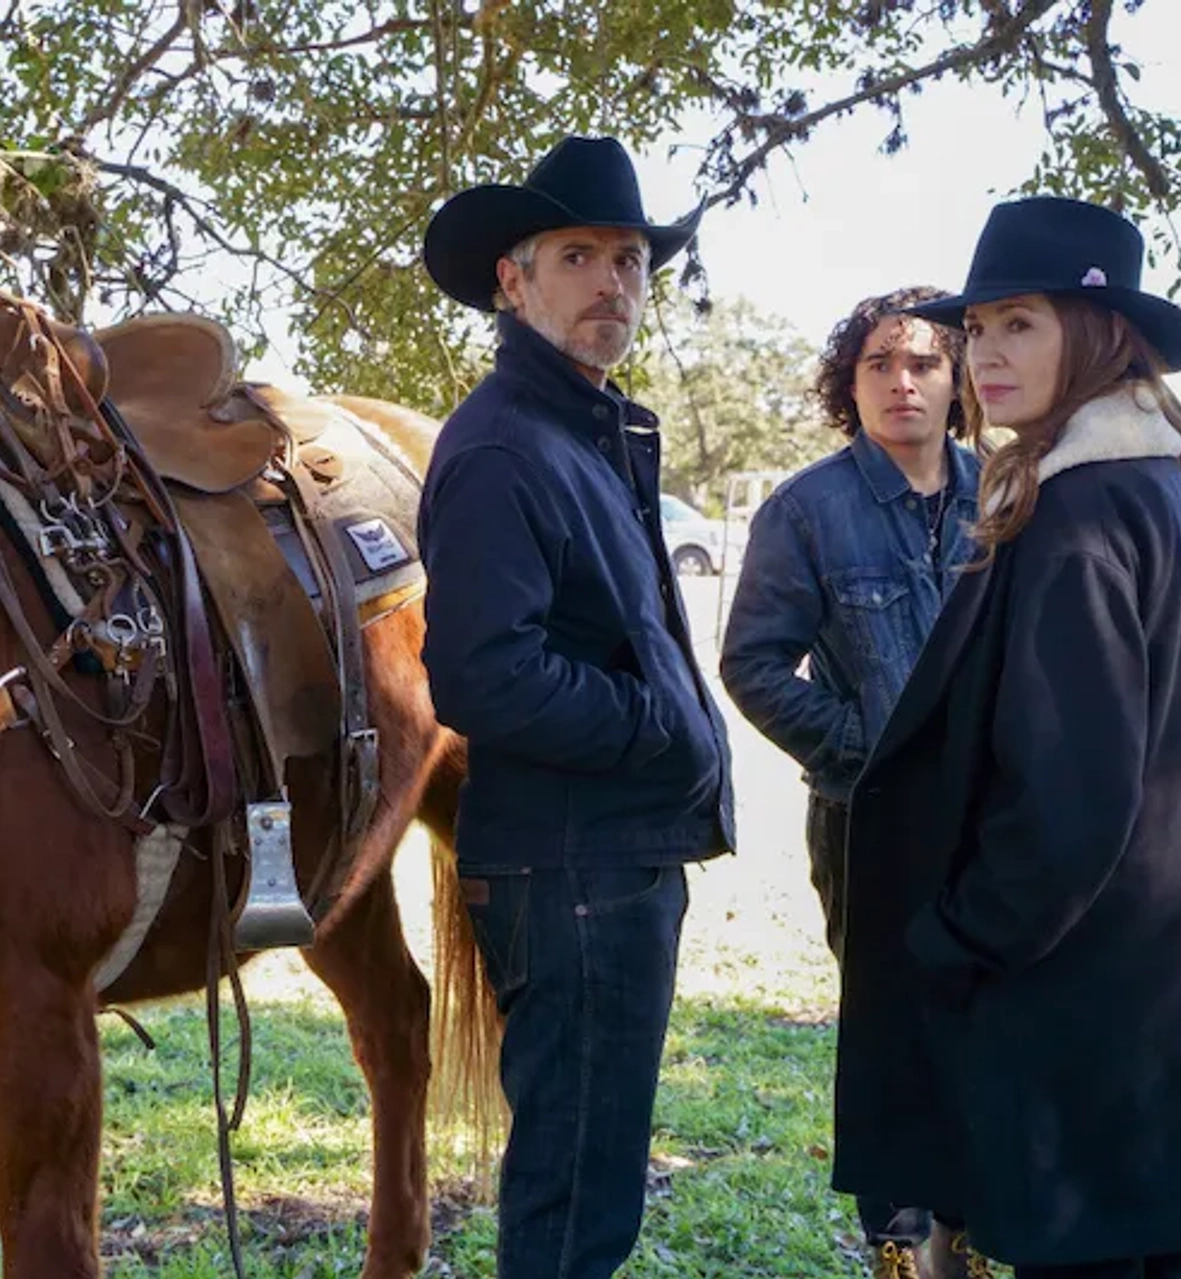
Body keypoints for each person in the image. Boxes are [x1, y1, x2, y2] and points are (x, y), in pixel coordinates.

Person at [836, 195, 1181, 1279]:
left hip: (1073, 991)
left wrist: (959, 937)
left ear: (1099, 332)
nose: (985, 356)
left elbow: (1073, 797)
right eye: (978, 330)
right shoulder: (1146, 485)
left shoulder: (1082, 511)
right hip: (1131, 981)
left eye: (1020, 324)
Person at [415, 135, 737, 1279]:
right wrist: (659, 728)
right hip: (575, 872)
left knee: (589, 1176)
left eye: (631, 259)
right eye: (580, 255)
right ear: (515, 278)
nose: (614, 283)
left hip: (605, 859)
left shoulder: (585, 431)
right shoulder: (507, 446)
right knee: (573, 1193)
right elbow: (481, 677)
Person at [719, 286, 983, 1278]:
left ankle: (969, 1237)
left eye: (923, 362)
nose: (902, 381)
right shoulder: (808, 510)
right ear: (850, 384)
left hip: (995, 826)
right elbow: (752, 664)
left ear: (956, 379)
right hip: (869, 822)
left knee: (985, 1021)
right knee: (889, 1033)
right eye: (879, 363)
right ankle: (901, 1249)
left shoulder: (1007, 492)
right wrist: (871, 755)